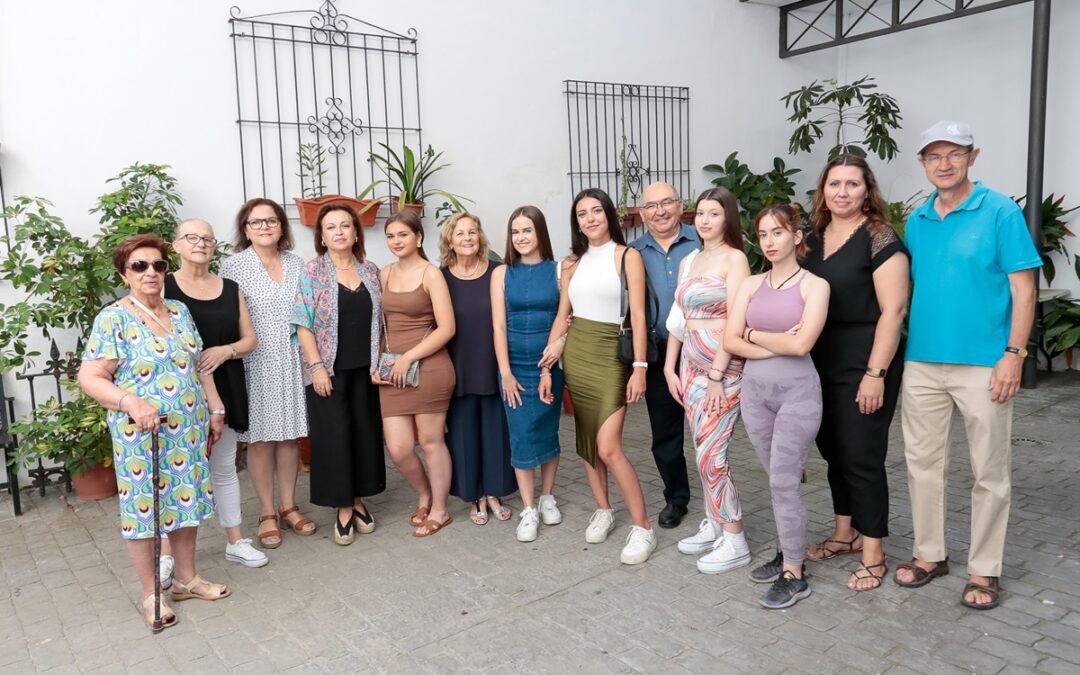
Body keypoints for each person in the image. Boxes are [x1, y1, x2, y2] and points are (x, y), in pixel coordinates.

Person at [895, 121, 1040, 610]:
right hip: (922, 363)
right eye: (934, 156)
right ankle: (930, 554)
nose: (944, 164)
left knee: (989, 471)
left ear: (972, 157)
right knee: (922, 465)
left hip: (985, 364)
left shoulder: (999, 211)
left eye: (953, 154)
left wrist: (1013, 355)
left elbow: (1025, 290)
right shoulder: (918, 220)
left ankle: (984, 569)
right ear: (923, 163)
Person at [78, 234, 230, 630]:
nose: (151, 273)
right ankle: (151, 594)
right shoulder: (113, 318)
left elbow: (198, 366)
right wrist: (130, 402)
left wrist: (215, 408)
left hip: (188, 430)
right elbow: (91, 377)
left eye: (158, 265)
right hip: (141, 434)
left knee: (186, 499)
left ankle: (186, 578)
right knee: (143, 509)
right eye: (139, 266)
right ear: (123, 273)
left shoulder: (178, 310)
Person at [801, 155, 910, 592]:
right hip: (818, 360)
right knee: (832, 450)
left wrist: (876, 373)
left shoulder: (880, 237)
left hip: (866, 358)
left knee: (862, 455)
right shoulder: (812, 237)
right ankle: (844, 533)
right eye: (834, 184)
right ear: (822, 190)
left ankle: (874, 552)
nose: (842, 192)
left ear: (868, 190)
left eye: (852, 184)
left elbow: (894, 311)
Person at [539, 188, 656, 565]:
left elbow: (638, 316)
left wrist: (639, 367)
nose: (589, 219)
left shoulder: (628, 256)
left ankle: (643, 527)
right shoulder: (572, 262)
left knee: (609, 446)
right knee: (587, 441)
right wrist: (548, 362)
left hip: (610, 354)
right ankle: (603, 509)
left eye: (596, 211)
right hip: (576, 353)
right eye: (582, 214)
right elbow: (562, 315)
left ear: (608, 215)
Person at [725, 204, 830, 609]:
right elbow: (731, 341)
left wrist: (753, 337)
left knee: (784, 482)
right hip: (755, 395)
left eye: (778, 233)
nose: (770, 241)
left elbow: (802, 345)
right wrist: (765, 336)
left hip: (798, 395)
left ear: (796, 237)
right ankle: (791, 551)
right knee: (777, 478)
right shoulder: (750, 284)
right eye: (763, 234)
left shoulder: (814, 286)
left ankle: (795, 574)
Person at [164, 219, 268, 569]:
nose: (200, 243)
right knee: (172, 474)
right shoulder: (161, 287)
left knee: (224, 466)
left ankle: (236, 541)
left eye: (207, 238)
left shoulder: (229, 287)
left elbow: (250, 339)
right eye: (191, 237)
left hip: (226, 384)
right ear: (175, 245)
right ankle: (166, 555)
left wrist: (225, 351)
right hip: (177, 392)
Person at [663, 188, 752, 574]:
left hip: (723, 368)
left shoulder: (736, 259)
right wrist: (669, 367)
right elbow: (678, 318)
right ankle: (714, 521)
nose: (704, 220)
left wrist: (717, 373)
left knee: (713, 456)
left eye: (714, 213)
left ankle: (735, 538)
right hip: (689, 365)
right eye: (700, 213)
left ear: (727, 218)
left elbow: (738, 319)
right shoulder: (690, 259)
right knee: (701, 449)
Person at [220, 198, 314, 548]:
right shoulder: (234, 267)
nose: (264, 227)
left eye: (271, 221)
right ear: (245, 229)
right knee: (260, 439)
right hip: (255, 362)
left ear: (281, 226)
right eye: (256, 222)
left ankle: (289, 507)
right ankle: (266, 513)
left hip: (292, 360)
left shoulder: (297, 263)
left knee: (289, 436)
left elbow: (307, 313)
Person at [290, 203, 386, 546]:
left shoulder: (371, 270)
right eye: (331, 227)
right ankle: (343, 506)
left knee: (363, 435)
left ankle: (359, 498)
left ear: (356, 232)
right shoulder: (313, 271)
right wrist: (316, 367)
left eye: (345, 225)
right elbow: (302, 323)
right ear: (322, 237)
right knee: (333, 439)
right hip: (327, 370)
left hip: (366, 371)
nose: (339, 232)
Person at [378, 211, 457, 537]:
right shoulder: (383, 274)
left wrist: (407, 358)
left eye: (403, 235)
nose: (397, 241)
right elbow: (380, 327)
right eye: (391, 236)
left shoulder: (431, 274)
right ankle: (423, 493)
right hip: (393, 372)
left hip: (428, 368)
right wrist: (379, 364)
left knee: (430, 440)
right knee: (398, 448)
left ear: (418, 238)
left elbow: (447, 328)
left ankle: (440, 509)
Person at [492, 206, 565, 542]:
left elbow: (565, 318)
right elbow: (498, 326)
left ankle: (548, 496)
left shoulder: (559, 270)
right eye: (515, 232)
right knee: (520, 434)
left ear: (540, 234)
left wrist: (552, 359)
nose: (521, 238)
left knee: (547, 429)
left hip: (547, 364)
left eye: (527, 231)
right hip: (515, 368)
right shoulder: (502, 274)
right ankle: (528, 507)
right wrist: (505, 372)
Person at [630, 182, 700, 528]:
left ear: (680, 205)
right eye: (651, 206)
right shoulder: (633, 252)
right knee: (666, 436)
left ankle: (723, 497)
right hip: (659, 355)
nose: (659, 211)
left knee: (710, 431)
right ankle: (677, 497)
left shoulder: (703, 239)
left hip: (704, 354)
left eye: (666, 203)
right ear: (642, 213)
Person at [439, 212, 516, 525]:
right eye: (460, 234)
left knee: (496, 431)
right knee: (462, 433)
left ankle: (495, 492)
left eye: (473, 232)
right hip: (457, 365)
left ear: (480, 237)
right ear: (450, 241)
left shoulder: (498, 272)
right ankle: (474, 497)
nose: (467, 238)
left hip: (492, 361)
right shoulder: (440, 277)